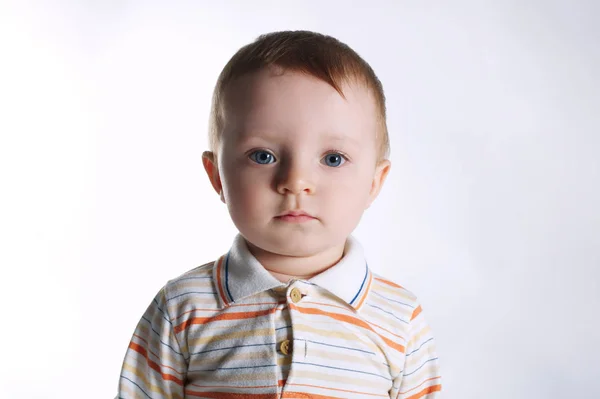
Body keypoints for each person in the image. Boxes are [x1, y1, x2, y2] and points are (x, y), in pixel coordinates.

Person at [117, 30, 441, 399]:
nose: (296, 181)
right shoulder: (182, 308)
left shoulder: (399, 319)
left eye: (333, 158)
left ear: (374, 182)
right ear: (217, 176)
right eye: (263, 156)